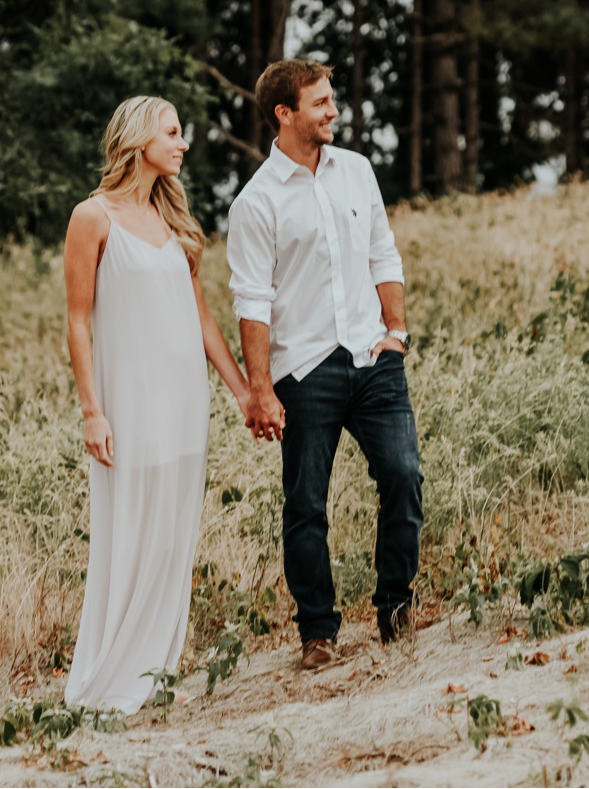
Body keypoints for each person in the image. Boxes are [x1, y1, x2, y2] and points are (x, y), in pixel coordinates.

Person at [62, 95, 254, 713]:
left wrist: (245, 390)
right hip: (130, 399)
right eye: (172, 133)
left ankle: (155, 669)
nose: (183, 143)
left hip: (184, 399)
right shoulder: (92, 218)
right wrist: (93, 411)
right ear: (140, 138)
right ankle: (111, 672)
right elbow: (76, 323)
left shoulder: (173, 220)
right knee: (130, 529)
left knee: (173, 535)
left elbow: (201, 318)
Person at [228, 60, 422, 671]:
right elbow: (252, 301)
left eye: (332, 99)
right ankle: (318, 633)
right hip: (305, 369)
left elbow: (382, 252)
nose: (333, 111)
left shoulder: (357, 171)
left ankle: (395, 609)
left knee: (402, 475)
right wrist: (260, 389)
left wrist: (397, 332)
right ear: (285, 114)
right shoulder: (255, 203)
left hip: (373, 356)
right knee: (306, 503)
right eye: (320, 103)